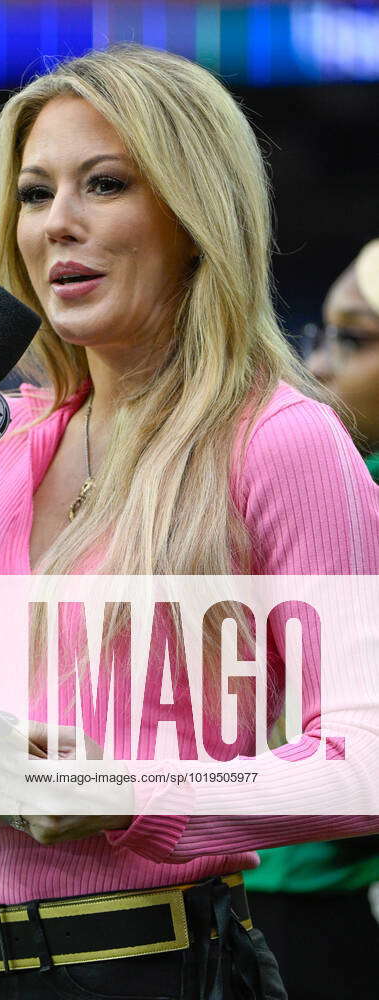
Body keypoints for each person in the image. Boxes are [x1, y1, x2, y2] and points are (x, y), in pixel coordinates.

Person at [0, 46, 379, 999]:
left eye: (105, 184)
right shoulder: (1, 441)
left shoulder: (282, 441)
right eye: (35, 195)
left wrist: (136, 798)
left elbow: (361, 766)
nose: (58, 226)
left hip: (169, 967)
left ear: (193, 213)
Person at [245, 238, 379, 999]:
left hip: (343, 909)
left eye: (353, 338)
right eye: (316, 337)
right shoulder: (294, 488)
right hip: (256, 882)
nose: (318, 366)